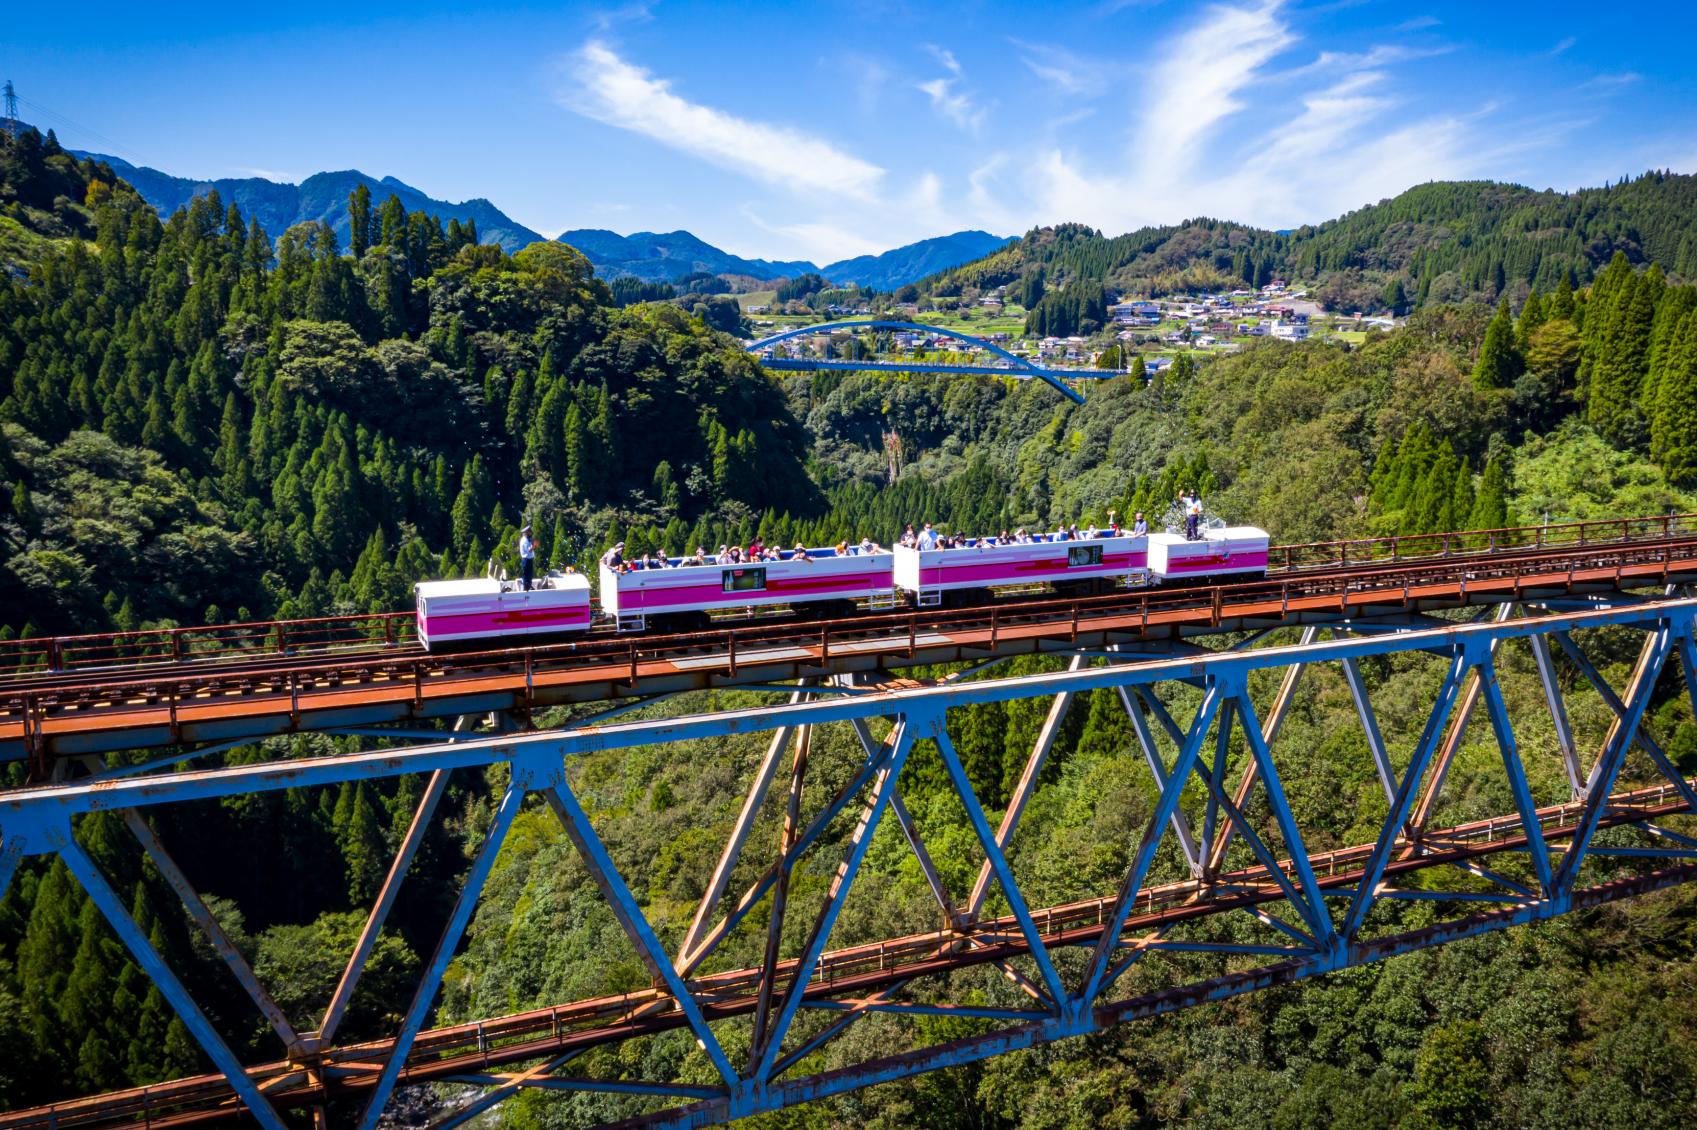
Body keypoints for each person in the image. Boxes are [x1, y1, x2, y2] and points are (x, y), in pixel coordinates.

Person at [517, 523, 536, 591]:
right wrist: (534, 546)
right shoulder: (524, 540)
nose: (531, 533)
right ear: (526, 532)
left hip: (529, 559)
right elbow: (529, 550)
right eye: (529, 531)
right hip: (526, 560)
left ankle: (528, 587)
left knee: (529, 575)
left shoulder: (527, 539)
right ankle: (526, 589)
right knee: (527, 575)